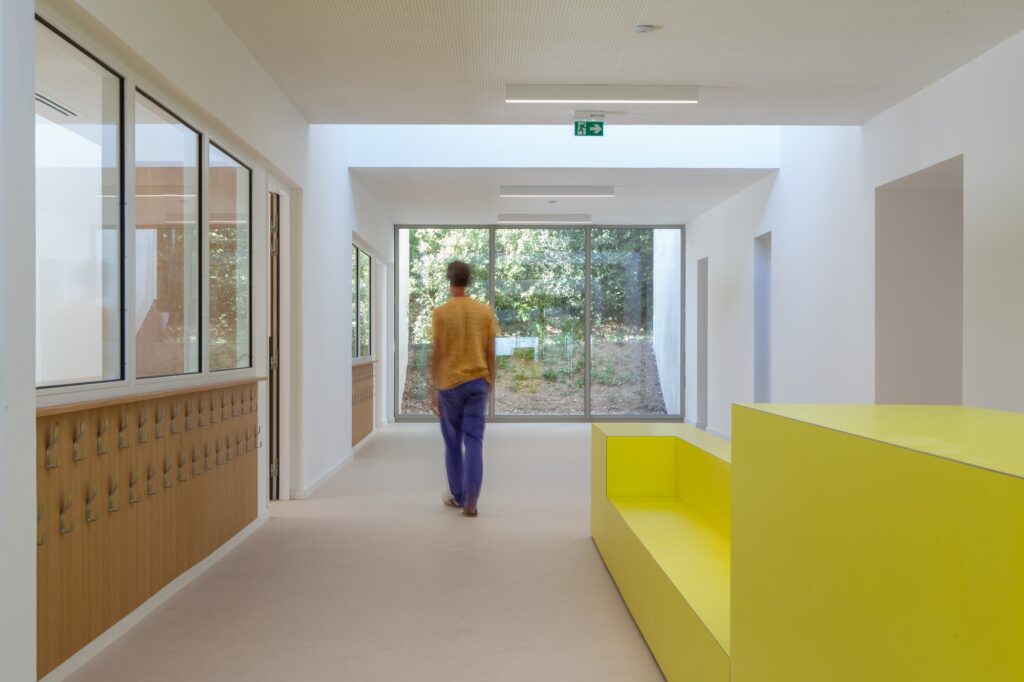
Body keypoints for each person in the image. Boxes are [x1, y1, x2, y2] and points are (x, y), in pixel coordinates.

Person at [430, 260, 498, 518]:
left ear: (450, 280)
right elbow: (490, 351)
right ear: (468, 281)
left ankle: (457, 496)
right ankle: (472, 499)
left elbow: (437, 352)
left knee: (452, 443)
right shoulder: (484, 312)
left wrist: (434, 386)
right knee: (474, 442)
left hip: (449, 386)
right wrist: (491, 380)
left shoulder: (441, 313)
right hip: (477, 383)